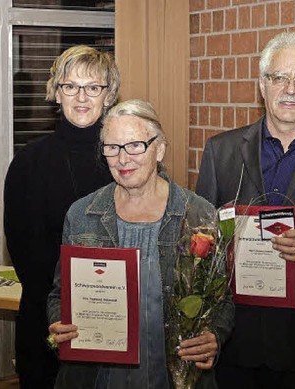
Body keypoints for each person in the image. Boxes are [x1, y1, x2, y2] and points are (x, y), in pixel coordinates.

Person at [195, 31, 295, 389]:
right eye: (279, 77)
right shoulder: (221, 152)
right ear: (262, 85)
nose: (291, 88)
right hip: (232, 339)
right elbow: (200, 245)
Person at [46, 99, 235, 388]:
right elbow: (60, 295)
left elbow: (223, 300)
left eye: (135, 146)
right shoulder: (82, 214)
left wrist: (214, 336)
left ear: (159, 149)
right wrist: (59, 324)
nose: (122, 159)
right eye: (112, 148)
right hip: (97, 376)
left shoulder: (198, 213)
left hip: (173, 375)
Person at [4, 45, 119, 388]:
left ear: (108, 95)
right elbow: (24, 250)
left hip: (116, 316)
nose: (81, 96)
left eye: (93, 87)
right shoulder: (29, 162)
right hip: (46, 319)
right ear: (56, 92)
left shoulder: (127, 156)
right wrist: (66, 306)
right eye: (70, 86)